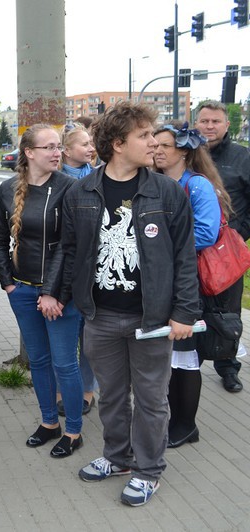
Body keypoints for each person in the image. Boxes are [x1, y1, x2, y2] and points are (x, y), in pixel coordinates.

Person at [57, 102, 200, 507]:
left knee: (152, 399)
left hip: (151, 319)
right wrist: (62, 296)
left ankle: (149, 470)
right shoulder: (81, 191)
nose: (154, 142)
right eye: (144, 135)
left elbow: (184, 257)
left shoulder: (167, 191)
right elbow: (70, 252)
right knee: (114, 396)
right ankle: (118, 457)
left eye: (152, 135)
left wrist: (184, 312)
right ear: (117, 144)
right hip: (100, 316)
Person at [0, 124, 83, 457]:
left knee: (64, 364)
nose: (57, 152)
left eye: (59, 147)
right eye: (49, 147)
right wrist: (7, 283)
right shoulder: (6, 189)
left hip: (59, 294)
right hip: (22, 291)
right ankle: (49, 423)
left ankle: (73, 431)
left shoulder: (69, 188)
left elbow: (69, 247)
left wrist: (52, 292)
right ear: (29, 153)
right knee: (40, 362)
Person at [153, 122, 230, 448]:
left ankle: (186, 425)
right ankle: (176, 420)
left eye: (165, 146)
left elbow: (206, 233)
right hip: (164, 283)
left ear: (183, 150)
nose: (157, 150)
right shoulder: (156, 182)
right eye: (154, 145)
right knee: (169, 355)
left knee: (185, 356)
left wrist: (156, 246)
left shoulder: (196, 185)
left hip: (190, 284)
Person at [195, 100, 250, 393]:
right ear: (197, 123)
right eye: (204, 121)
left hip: (227, 252)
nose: (209, 127)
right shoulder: (187, 154)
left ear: (227, 125)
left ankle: (228, 368)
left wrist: (240, 235)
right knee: (192, 309)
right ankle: (189, 364)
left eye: (216, 121)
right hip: (191, 250)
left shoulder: (242, 157)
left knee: (227, 313)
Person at [58, 125, 98, 416]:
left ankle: (87, 389)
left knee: (89, 337)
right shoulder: (55, 179)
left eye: (91, 143)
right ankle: (62, 389)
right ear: (66, 150)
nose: (90, 148)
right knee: (64, 337)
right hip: (63, 266)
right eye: (83, 144)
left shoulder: (98, 177)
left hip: (93, 267)